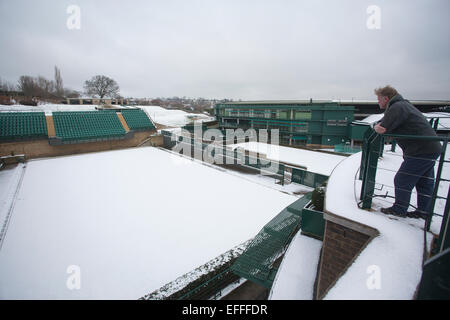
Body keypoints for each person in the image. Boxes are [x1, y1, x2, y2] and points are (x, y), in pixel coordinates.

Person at [373, 85, 442, 219]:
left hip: (420, 150)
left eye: (379, 99)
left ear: (386, 98)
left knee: (402, 179)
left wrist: (375, 127)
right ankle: (423, 211)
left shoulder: (397, 107)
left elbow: (382, 128)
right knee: (424, 182)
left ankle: (399, 209)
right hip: (430, 148)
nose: (378, 102)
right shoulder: (404, 105)